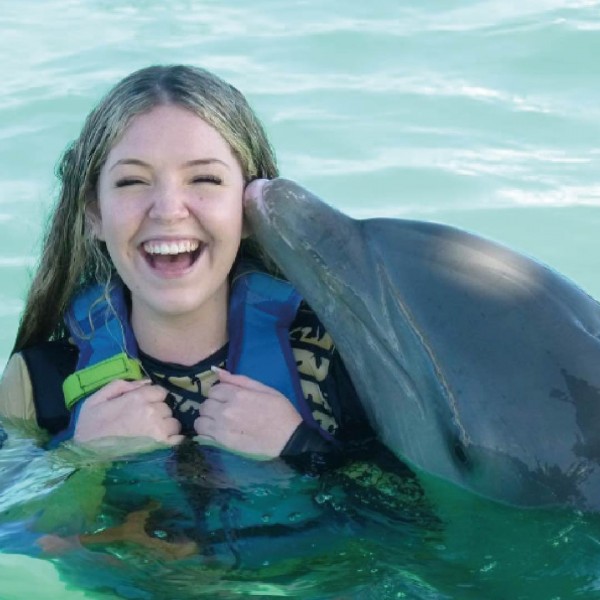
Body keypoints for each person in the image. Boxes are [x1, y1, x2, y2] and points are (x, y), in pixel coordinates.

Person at [0, 64, 371, 464]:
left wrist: (300, 449)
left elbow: (415, 518)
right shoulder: (35, 384)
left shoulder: (334, 358)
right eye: (132, 181)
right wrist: (81, 459)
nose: (168, 211)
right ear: (94, 214)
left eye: (205, 179)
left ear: (249, 208)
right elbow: (17, 522)